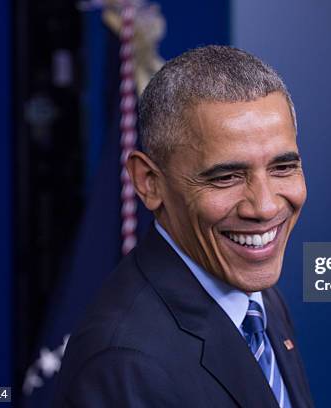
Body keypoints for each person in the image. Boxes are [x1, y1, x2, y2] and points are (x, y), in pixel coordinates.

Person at [53, 45, 313, 408]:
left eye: (283, 168)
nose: (265, 206)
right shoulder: (126, 362)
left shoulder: (255, 295)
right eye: (227, 176)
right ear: (149, 182)